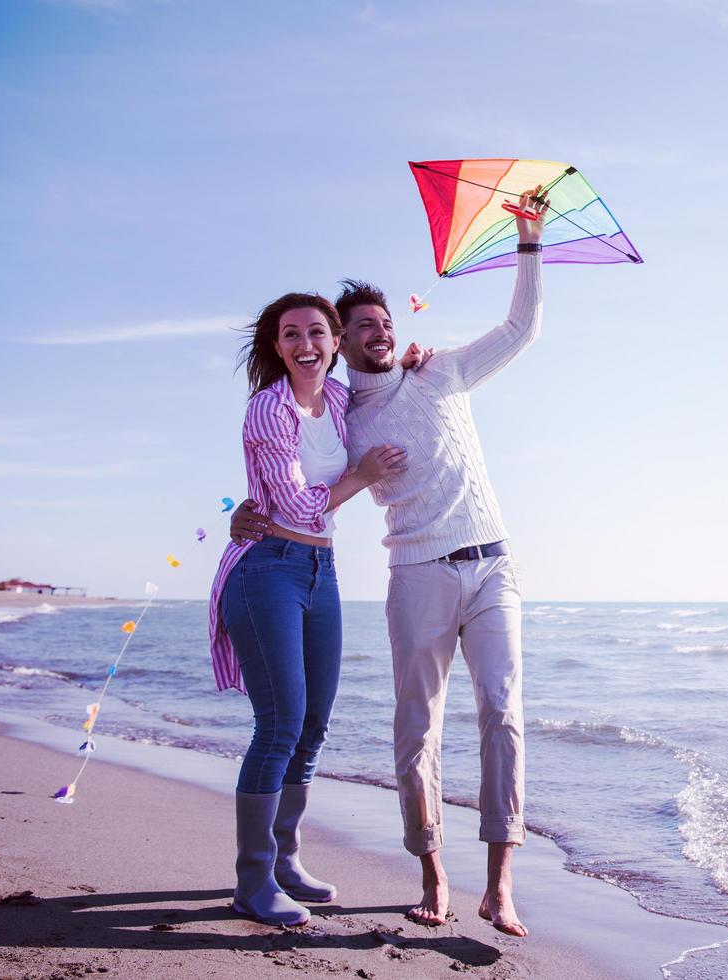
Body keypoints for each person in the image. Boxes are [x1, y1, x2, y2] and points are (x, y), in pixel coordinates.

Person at [232, 186, 548, 936]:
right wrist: (249, 510)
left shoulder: (440, 372)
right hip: (414, 572)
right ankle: (432, 873)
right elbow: (294, 462)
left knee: (502, 714)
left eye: (384, 322)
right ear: (341, 343)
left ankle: (501, 884)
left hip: (492, 564)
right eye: (360, 326)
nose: (377, 331)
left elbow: (521, 327)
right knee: (416, 728)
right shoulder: (345, 411)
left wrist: (528, 241)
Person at [208, 292, 406, 926]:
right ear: (277, 347)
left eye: (318, 332)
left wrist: (414, 357)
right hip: (267, 568)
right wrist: (364, 475)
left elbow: (386, 384)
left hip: (322, 571)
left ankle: (286, 860)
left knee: (314, 723)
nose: (306, 344)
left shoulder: (344, 399)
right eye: (291, 335)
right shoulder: (269, 407)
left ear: (335, 342)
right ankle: (252, 881)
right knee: (280, 724)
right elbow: (294, 507)